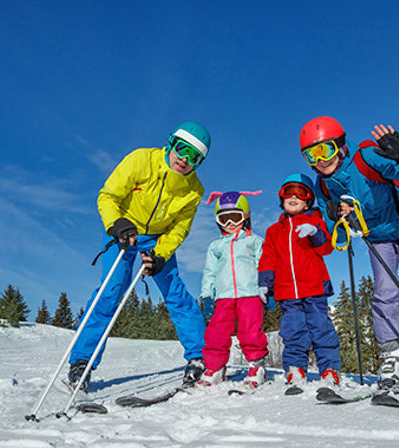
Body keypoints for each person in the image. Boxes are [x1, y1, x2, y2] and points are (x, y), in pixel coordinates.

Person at [299, 115, 399, 397]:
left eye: (324, 150)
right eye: (310, 155)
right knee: (385, 292)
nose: (319, 160)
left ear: (339, 146)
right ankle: (395, 360)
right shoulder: (324, 185)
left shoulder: (366, 158)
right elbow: (335, 233)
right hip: (377, 237)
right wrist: (334, 217)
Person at [67, 122, 210, 390]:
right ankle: (81, 362)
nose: (185, 160)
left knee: (175, 292)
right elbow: (108, 196)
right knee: (110, 291)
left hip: (157, 239)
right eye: (182, 150)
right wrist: (117, 224)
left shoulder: (194, 190)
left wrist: (160, 255)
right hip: (123, 227)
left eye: (195, 157)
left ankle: (200, 357)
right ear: (171, 143)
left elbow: (179, 230)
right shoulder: (141, 160)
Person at [258, 173, 341, 390]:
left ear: (308, 201)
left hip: (314, 287)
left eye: (300, 193)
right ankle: (296, 369)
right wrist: (265, 282)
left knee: (321, 328)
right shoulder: (274, 231)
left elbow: (326, 248)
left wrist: (315, 233)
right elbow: (268, 258)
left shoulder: (316, 221)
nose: (293, 197)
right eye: (289, 192)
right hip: (287, 292)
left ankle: (329, 370)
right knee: (293, 330)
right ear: (282, 198)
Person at [195, 191, 269, 388]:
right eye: (224, 218)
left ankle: (256, 366)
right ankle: (215, 368)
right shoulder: (215, 246)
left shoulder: (254, 241)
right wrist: (207, 295)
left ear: (245, 216)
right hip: (224, 296)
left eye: (234, 217)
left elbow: (263, 265)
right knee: (216, 332)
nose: (229, 223)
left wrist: (268, 288)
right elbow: (209, 271)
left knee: (250, 331)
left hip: (250, 294)